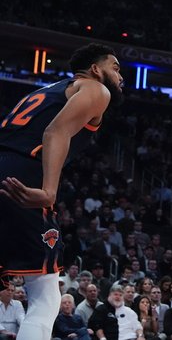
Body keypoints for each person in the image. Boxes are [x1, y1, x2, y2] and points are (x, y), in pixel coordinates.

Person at [0, 43, 123, 340]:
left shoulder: (46, 91)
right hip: (18, 178)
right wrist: (48, 191)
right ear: (96, 69)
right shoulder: (96, 90)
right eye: (116, 68)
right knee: (45, 295)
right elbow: (55, 132)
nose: (121, 77)